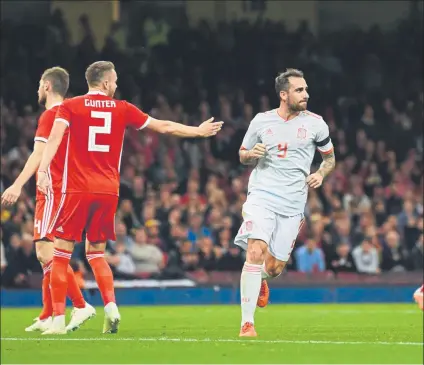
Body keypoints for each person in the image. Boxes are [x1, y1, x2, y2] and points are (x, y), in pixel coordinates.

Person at [36, 61, 223, 335]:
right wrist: (196, 131)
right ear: (104, 82)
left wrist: (43, 170)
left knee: (61, 253)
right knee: (97, 253)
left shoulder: (71, 106)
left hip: (77, 188)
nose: (116, 85)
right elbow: (165, 126)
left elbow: (53, 139)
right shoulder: (122, 108)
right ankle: (111, 307)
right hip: (109, 190)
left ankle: (57, 322)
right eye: (114, 80)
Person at [234, 68, 336, 336]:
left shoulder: (316, 124)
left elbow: (329, 159)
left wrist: (320, 174)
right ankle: (247, 323)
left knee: (274, 267)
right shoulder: (261, 121)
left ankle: (261, 281)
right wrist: (250, 154)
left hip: (293, 205)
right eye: (299, 90)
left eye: (305, 89)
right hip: (262, 196)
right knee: (255, 250)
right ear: (283, 94)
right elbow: (242, 153)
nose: (306, 94)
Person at [1, 67, 95, 333]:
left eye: (38, 85)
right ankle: (47, 314)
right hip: (71, 188)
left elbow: (38, 155)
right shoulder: (75, 114)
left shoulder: (52, 115)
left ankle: (78, 305)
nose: (37, 90)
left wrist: (17, 185)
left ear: (46, 86)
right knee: (50, 254)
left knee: (46, 252)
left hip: (54, 188)